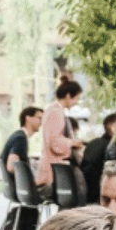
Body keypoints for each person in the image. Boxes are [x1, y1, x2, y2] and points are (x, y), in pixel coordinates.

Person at [42, 76, 84, 206]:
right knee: (82, 189)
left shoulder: (51, 109)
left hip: (50, 165)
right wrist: (73, 143)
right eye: (76, 98)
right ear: (68, 96)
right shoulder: (56, 112)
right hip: (58, 167)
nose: (77, 102)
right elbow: (54, 142)